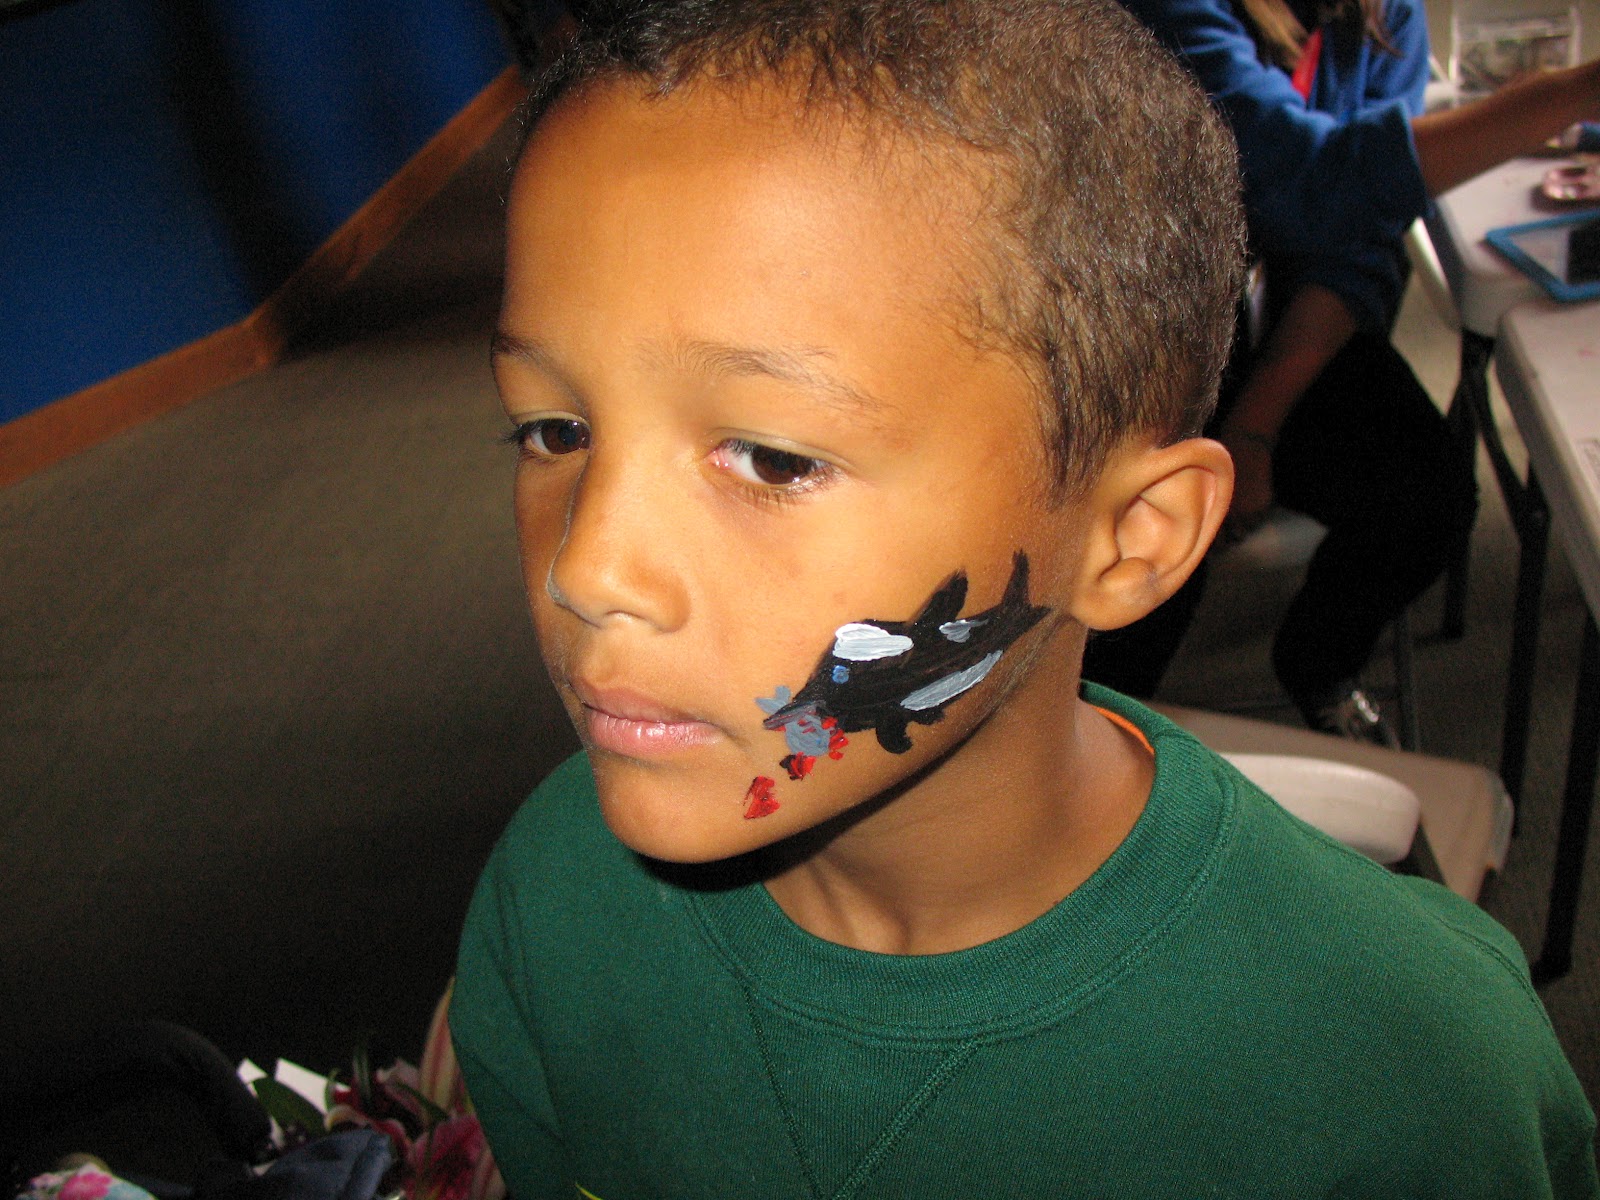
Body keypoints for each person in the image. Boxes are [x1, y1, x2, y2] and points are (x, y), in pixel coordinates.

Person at [449, 1, 1597, 1194]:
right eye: (552, 429)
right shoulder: (552, 903)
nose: (588, 566)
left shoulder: (1409, 1080)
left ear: (1129, 538)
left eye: (775, 459)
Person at [1086, 0, 1600, 741]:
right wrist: (1572, 92)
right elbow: (1320, 182)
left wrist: (1257, 428)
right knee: (1151, 553)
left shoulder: (1386, 15)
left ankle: (1318, 665)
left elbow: (1357, 240)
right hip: (1145, 336)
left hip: (1272, 322)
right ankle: (1095, 733)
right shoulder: (1175, 14)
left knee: (1429, 498)